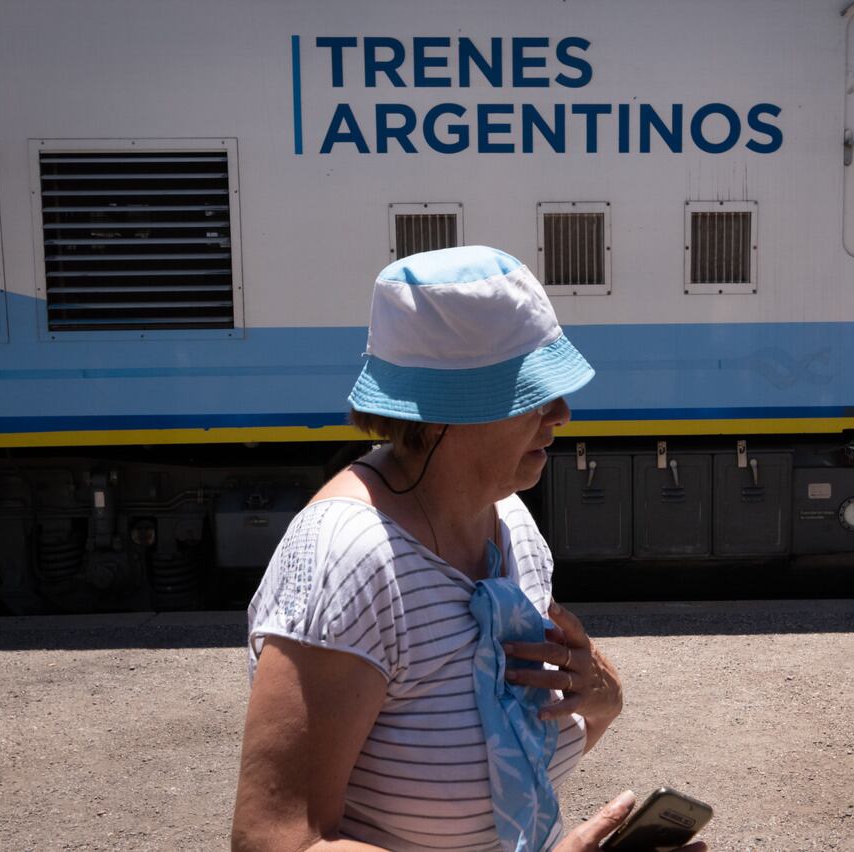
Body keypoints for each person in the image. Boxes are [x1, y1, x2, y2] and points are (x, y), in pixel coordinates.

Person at [232, 246, 706, 852]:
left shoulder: (509, 521)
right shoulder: (349, 561)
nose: (561, 413)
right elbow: (276, 840)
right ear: (439, 416)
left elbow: (489, 763)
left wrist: (601, 702)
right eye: (531, 393)